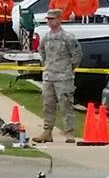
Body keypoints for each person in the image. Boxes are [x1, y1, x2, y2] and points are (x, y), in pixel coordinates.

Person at [34, 9, 80, 143]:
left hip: (64, 77)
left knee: (66, 105)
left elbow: (76, 55)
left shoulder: (67, 37)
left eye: (52, 19)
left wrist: (69, 68)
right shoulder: (46, 37)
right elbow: (42, 52)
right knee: (48, 105)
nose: (49, 21)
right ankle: (47, 131)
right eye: (48, 19)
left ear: (59, 19)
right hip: (49, 76)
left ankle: (69, 132)